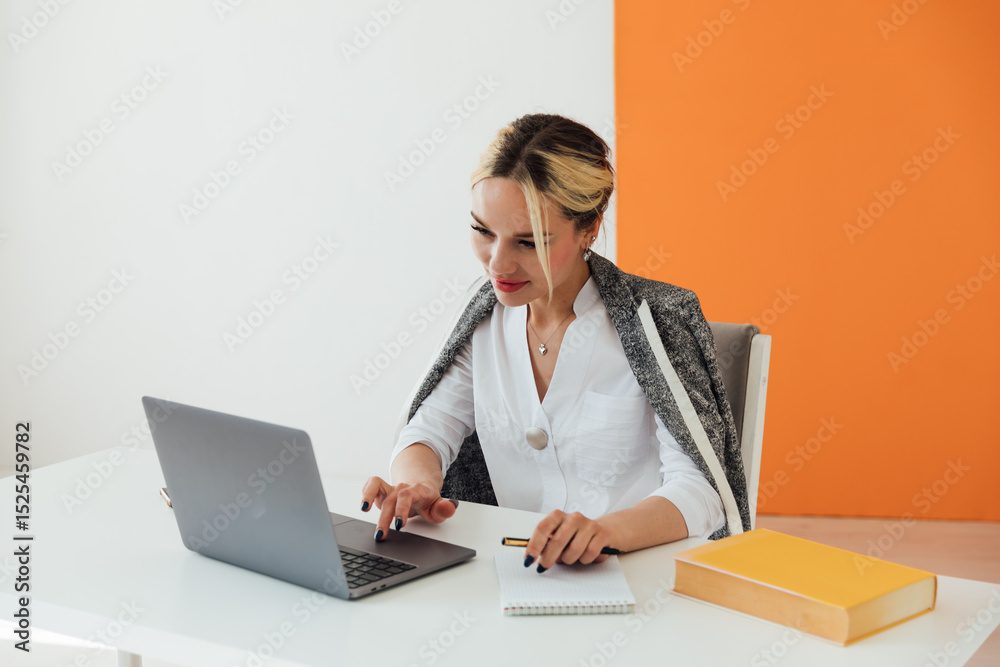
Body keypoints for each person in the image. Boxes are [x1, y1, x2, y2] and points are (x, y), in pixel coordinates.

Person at [361, 113, 750, 573]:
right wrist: (417, 486)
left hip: (641, 575)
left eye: (529, 242)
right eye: (483, 231)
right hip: (518, 569)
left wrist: (606, 533)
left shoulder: (657, 322)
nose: (497, 264)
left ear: (589, 229)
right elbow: (429, 431)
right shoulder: (482, 318)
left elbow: (703, 490)